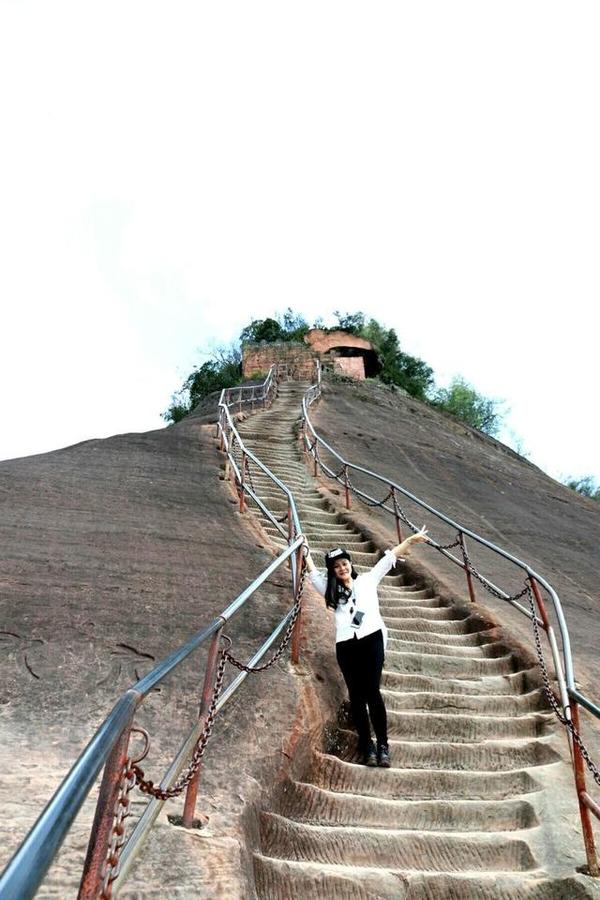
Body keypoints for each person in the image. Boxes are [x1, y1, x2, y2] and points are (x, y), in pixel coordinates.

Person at [302, 527, 429, 767]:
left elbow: (388, 558)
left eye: (344, 563)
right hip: (347, 645)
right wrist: (305, 549)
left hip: (372, 639)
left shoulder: (368, 580)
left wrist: (410, 540)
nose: (342, 568)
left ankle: (383, 744)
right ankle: (366, 745)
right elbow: (313, 574)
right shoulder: (330, 591)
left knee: (372, 692)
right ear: (333, 570)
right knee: (357, 697)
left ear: (350, 563)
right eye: (336, 566)